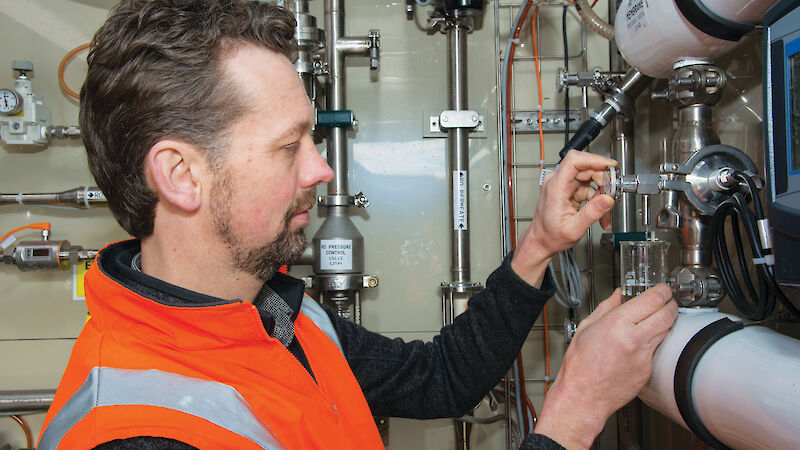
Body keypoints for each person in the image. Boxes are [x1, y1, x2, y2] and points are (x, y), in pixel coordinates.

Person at [38, 1, 677, 449]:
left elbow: (437, 380)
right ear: (180, 175)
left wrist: (538, 243)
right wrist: (572, 413)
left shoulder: (271, 313)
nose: (322, 171)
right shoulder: (138, 430)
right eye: (289, 147)